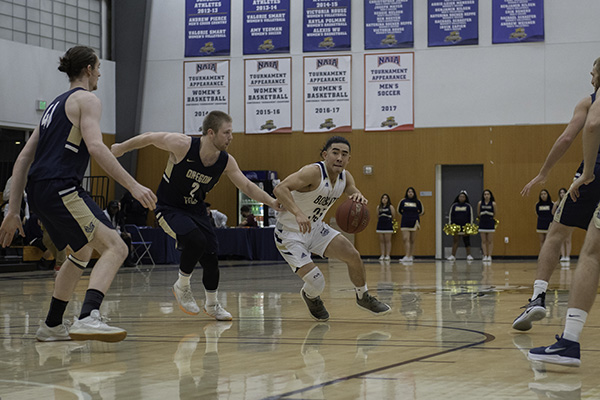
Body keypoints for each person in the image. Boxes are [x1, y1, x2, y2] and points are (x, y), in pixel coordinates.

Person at [0, 46, 157, 342]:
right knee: (117, 247)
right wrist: (134, 186)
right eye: (98, 67)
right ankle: (88, 316)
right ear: (87, 69)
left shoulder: (52, 108)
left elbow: (22, 160)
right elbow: (97, 147)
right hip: (62, 187)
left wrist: (13, 210)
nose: (99, 73)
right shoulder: (87, 99)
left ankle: (51, 325)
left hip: (40, 192)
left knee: (82, 251)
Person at [111, 110, 282, 321]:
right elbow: (149, 137)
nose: (231, 137)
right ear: (211, 133)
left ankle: (212, 304)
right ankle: (182, 285)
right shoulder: (182, 145)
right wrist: (121, 148)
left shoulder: (226, 161)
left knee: (211, 256)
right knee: (196, 240)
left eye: (231, 132)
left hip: (196, 210)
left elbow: (247, 186)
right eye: (226, 132)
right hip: (169, 208)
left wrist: (272, 201)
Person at [513, 57, 600, 332]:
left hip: (593, 172)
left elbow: (566, 138)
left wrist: (544, 173)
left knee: (557, 233)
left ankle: (538, 296)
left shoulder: (589, 102)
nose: (590, 77)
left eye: (593, 72)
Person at [272, 136, 390, 321]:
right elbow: (280, 189)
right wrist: (297, 213)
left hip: (316, 228)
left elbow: (352, 189)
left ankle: (363, 296)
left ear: (349, 159)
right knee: (317, 282)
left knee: (353, 256)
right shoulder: (312, 172)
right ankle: (311, 296)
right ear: (325, 155)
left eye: (344, 154)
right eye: (335, 153)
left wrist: (358, 197)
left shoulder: (345, 176)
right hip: (290, 233)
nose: (339, 158)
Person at [103, 200, 135, 267]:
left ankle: (127, 261)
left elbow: (116, 227)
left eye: (116, 208)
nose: (114, 210)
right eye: (113, 208)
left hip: (114, 234)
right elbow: (107, 228)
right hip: (106, 234)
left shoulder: (116, 216)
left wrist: (122, 233)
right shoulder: (105, 215)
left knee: (127, 239)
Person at [447, 190, 474, 261]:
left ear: (465, 198)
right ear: (458, 197)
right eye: (460, 196)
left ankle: (469, 255)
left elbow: (471, 216)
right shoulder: (454, 206)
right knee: (455, 241)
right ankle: (453, 255)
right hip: (456, 226)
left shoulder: (468, 206)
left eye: (463, 197)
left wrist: (470, 226)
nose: (462, 198)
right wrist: (451, 225)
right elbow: (451, 216)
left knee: (466, 241)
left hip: (465, 226)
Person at [398, 187, 423, 263]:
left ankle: (410, 256)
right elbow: (399, 211)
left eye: (412, 192)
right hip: (405, 222)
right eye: (409, 191)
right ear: (407, 193)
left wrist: (414, 216)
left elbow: (421, 211)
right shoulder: (403, 201)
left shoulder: (417, 202)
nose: (410, 193)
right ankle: (406, 255)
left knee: (412, 240)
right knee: (406, 239)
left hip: (414, 222)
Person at [552, 188, 572, 263]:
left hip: (568, 223)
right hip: (560, 223)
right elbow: (553, 213)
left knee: (567, 240)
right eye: (560, 193)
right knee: (561, 240)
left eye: (563, 193)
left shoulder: (569, 202)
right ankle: (563, 256)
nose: (562, 194)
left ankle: (568, 256)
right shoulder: (557, 203)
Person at [477, 189, 497, 262]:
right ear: (483, 196)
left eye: (488, 194)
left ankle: (489, 256)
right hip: (482, 223)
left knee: (490, 241)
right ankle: (485, 255)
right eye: (485, 194)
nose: (486, 196)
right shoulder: (480, 203)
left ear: (490, 195)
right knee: (484, 241)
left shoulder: (493, 204)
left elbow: (495, 213)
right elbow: (478, 213)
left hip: (490, 223)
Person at [375, 193, 395, 261]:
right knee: (381, 241)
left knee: (388, 240)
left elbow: (393, 215)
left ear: (388, 199)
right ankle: (382, 254)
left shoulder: (390, 207)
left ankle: (388, 255)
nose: (384, 199)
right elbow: (377, 216)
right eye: (383, 198)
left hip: (388, 224)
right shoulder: (378, 207)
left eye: (386, 198)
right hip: (380, 224)